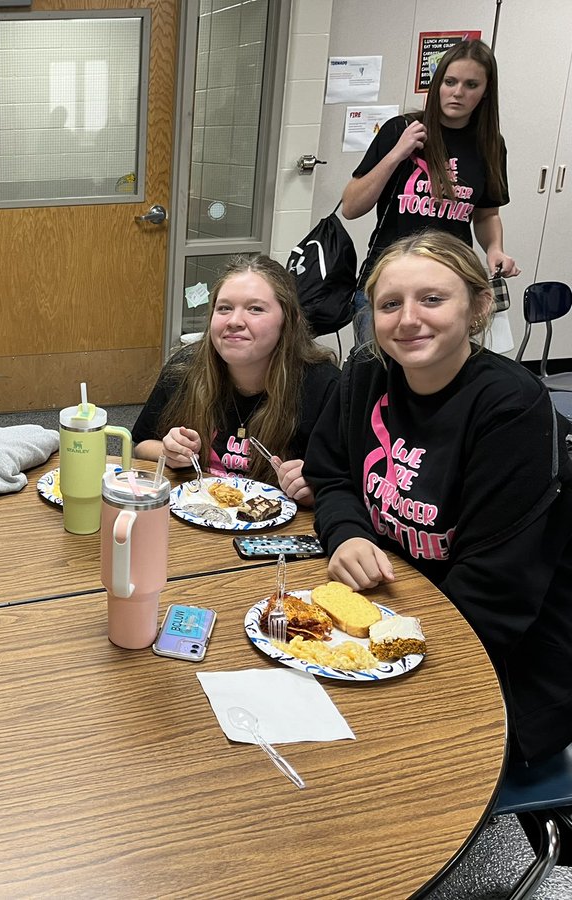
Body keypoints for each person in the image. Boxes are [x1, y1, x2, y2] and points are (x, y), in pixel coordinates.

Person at [304, 230, 572, 764]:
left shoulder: (511, 408)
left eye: (432, 299)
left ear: (475, 307)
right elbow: (329, 475)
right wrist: (347, 533)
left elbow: (496, 592)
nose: (407, 319)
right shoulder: (364, 373)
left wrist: (380, 661)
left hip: (506, 662)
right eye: (389, 304)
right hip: (401, 603)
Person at [342, 39, 518, 344]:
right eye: (450, 82)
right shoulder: (401, 130)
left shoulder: (490, 145)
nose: (458, 92)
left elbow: (487, 214)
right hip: (388, 283)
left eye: (471, 84)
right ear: (437, 84)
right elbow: (351, 207)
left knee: (437, 379)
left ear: (486, 91)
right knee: (373, 382)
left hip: (447, 287)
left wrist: (494, 248)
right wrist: (398, 153)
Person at [132, 254, 339, 505]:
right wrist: (169, 451)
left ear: (289, 321)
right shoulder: (185, 367)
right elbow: (141, 445)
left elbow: (347, 486)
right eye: (224, 308)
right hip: (196, 517)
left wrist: (314, 488)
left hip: (273, 532)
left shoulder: (324, 386)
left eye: (255, 309)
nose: (234, 321)